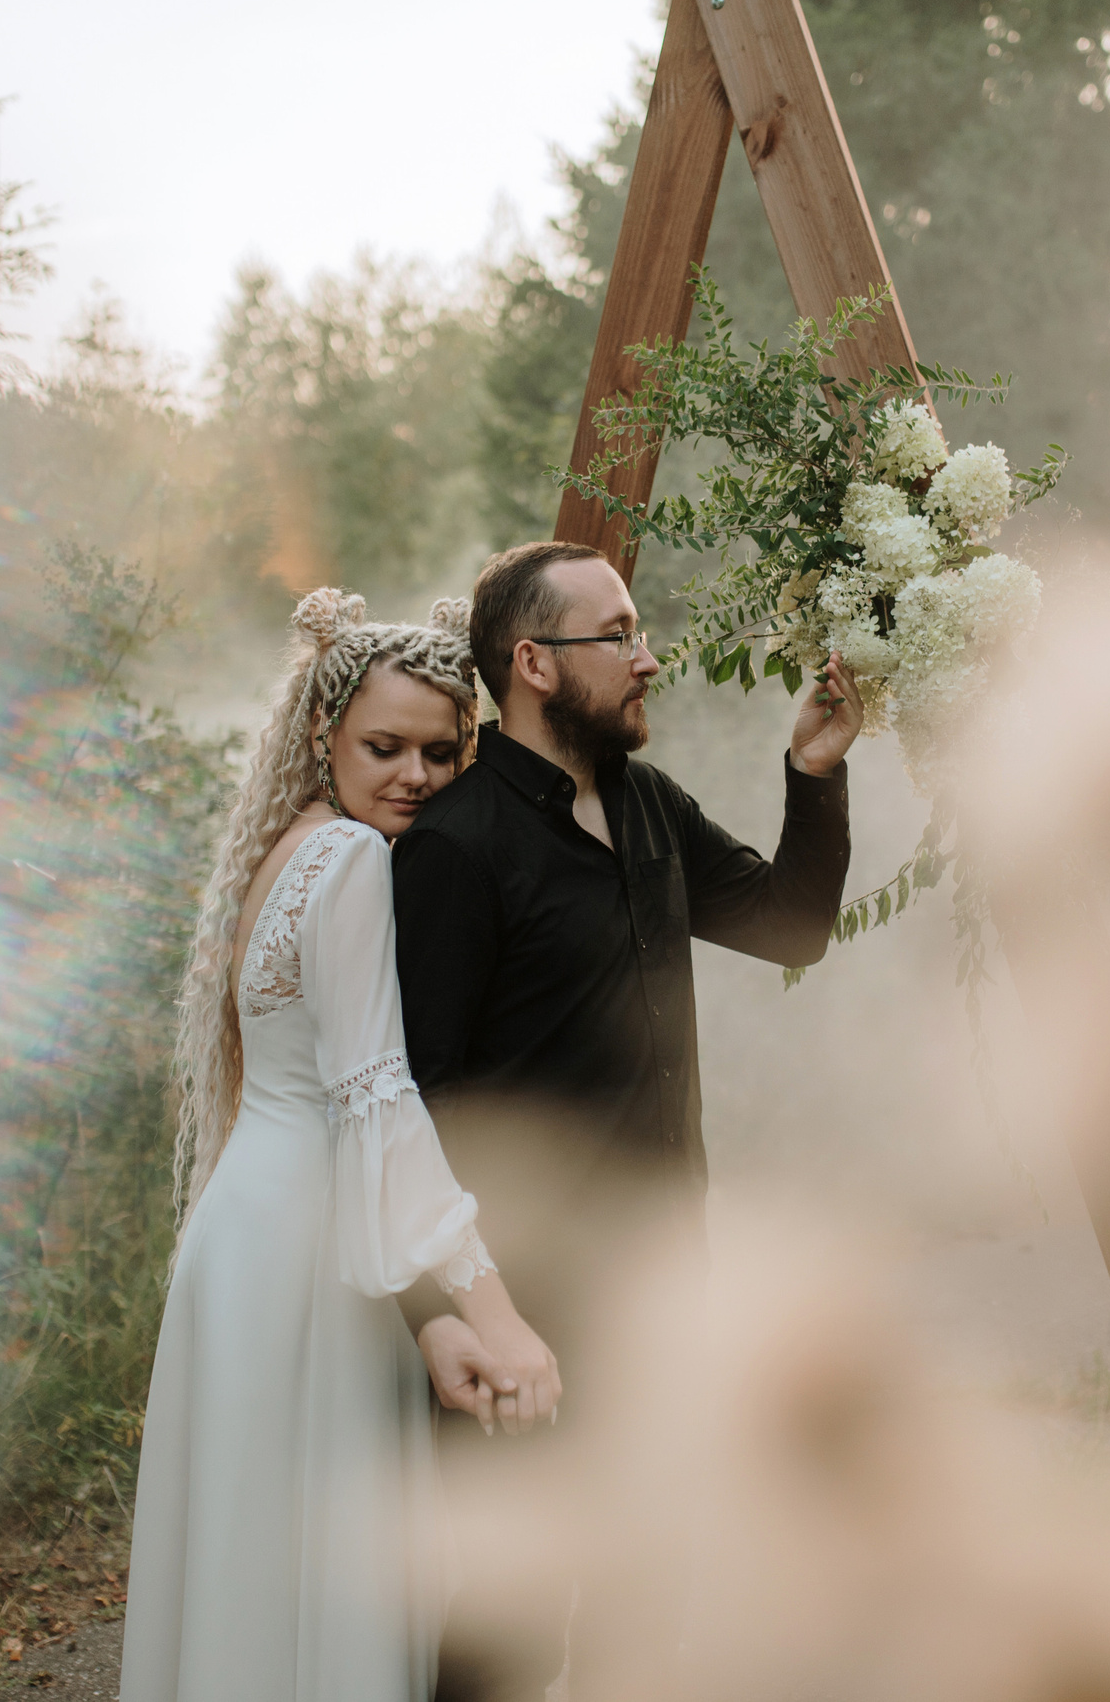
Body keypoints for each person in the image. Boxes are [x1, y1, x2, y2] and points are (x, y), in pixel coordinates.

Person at [392, 540, 863, 1702]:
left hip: (663, 1287)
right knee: (505, 1626)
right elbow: (406, 1101)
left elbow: (789, 925)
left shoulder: (647, 803)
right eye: (619, 635)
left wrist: (812, 769)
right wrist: (449, 1311)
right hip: (527, 1308)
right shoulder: (454, 847)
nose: (647, 657)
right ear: (533, 663)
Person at [120, 589, 565, 1702]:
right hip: (309, 1248)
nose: (414, 775)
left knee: (248, 1553)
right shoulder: (357, 864)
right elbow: (379, 1099)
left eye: (439, 751)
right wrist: (489, 1308)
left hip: (243, 1228)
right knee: (319, 1561)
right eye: (384, 747)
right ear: (324, 736)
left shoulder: (288, 849)